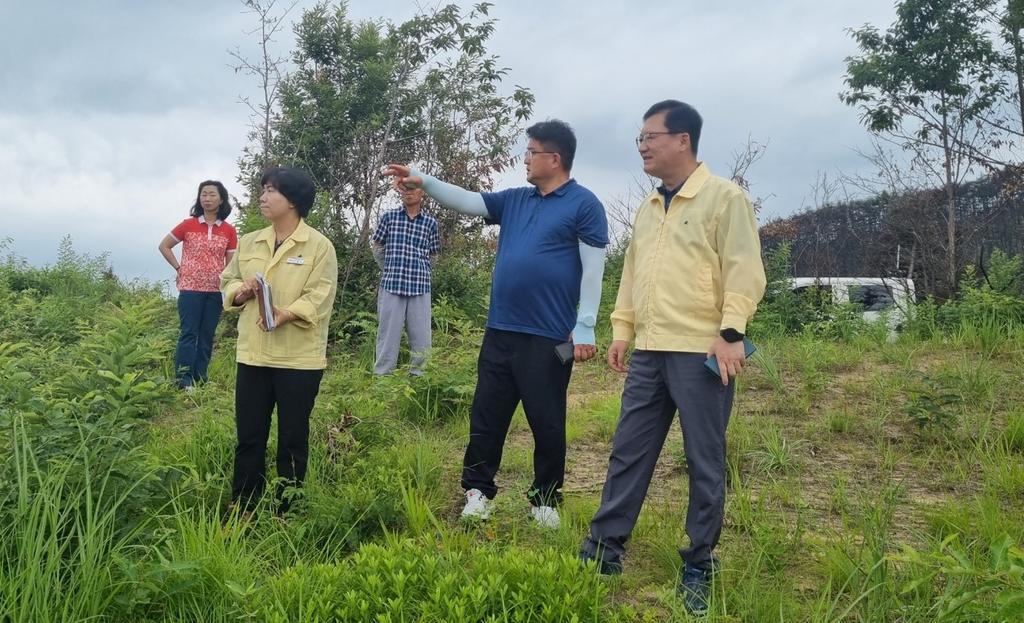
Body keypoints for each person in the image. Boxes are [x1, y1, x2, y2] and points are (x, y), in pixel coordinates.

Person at [578, 100, 766, 615]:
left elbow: (745, 269)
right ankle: (603, 550)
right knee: (628, 450)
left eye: (650, 136)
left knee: (704, 460)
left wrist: (732, 332)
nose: (642, 145)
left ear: (682, 140)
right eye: (639, 138)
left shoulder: (725, 199)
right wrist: (622, 329)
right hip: (650, 352)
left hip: (703, 351)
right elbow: (633, 273)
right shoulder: (648, 207)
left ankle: (699, 563)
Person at [385, 119, 609, 529]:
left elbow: (594, 269)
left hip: (549, 336)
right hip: (500, 330)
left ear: (554, 158)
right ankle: (478, 492)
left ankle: (544, 500)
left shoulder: (584, 205)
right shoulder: (515, 200)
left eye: (531, 151)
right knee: (486, 415)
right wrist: (425, 181)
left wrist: (586, 325)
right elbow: (469, 201)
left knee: (547, 420)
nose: (525, 158)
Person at [220, 166, 338, 515]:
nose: (263, 196)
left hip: (298, 361)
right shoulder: (251, 240)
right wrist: (240, 292)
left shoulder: (318, 246)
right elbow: (228, 279)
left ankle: (288, 511)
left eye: (271, 190)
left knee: (292, 439)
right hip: (253, 355)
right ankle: (244, 508)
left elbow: (321, 294)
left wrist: (285, 313)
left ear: (294, 200)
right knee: (249, 438)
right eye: (263, 189)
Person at [159, 180, 238, 390]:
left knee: (207, 335)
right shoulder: (188, 224)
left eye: (212, 194)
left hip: (215, 290)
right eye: (204, 194)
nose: (208, 198)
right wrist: (179, 268)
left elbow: (231, 263)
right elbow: (164, 246)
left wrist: (228, 285)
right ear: (199, 198)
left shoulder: (229, 231)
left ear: (221, 199)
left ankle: (200, 379)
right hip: (190, 288)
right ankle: (183, 380)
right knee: (188, 333)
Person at [371, 184, 441, 376]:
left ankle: (419, 379)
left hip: (420, 286)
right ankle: (383, 379)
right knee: (387, 336)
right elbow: (377, 248)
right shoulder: (389, 217)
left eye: (413, 188)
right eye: (405, 189)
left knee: (422, 338)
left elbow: (433, 255)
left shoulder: (430, 223)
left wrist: (421, 270)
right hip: (392, 284)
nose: (408, 192)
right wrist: (390, 268)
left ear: (422, 192)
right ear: (400, 192)